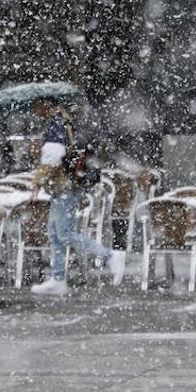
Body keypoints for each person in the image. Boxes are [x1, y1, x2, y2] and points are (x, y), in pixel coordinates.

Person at [30, 97, 125, 295]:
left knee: (63, 232)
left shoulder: (56, 124)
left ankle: (109, 256)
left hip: (66, 186)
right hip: (65, 185)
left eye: (36, 105)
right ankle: (58, 279)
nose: (34, 110)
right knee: (55, 233)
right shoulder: (62, 122)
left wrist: (37, 182)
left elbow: (52, 158)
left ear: (46, 104)